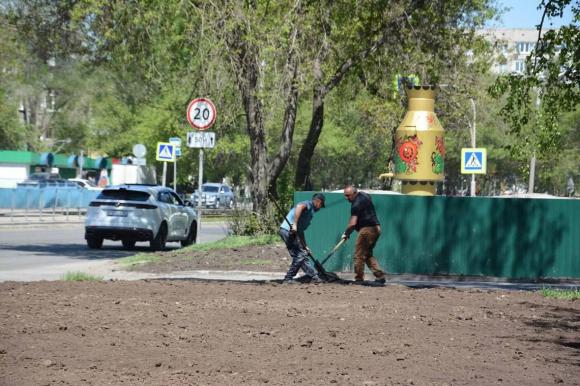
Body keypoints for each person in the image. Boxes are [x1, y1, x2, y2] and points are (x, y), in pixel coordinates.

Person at [341, 185, 386, 284]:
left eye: (348, 195)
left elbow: (352, 224)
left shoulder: (356, 204)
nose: (346, 198)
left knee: (359, 255)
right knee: (367, 254)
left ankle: (359, 279)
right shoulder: (363, 195)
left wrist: (346, 233)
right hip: (376, 228)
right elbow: (369, 196)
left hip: (367, 230)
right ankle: (380, 276)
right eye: (345, 195)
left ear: (354, 193)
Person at [279, 193, 326, 284]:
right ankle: (288, 278)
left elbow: (300, 232)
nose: (320, 208)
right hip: (287, 230)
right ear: (318, 202)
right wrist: (295, 224)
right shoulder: (309, 204)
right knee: (300, 255)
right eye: (321, 205)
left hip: (292, 232)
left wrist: (305, 246)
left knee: (302, 254)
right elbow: (299, 206)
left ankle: (313, 276)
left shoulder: (310, 212)